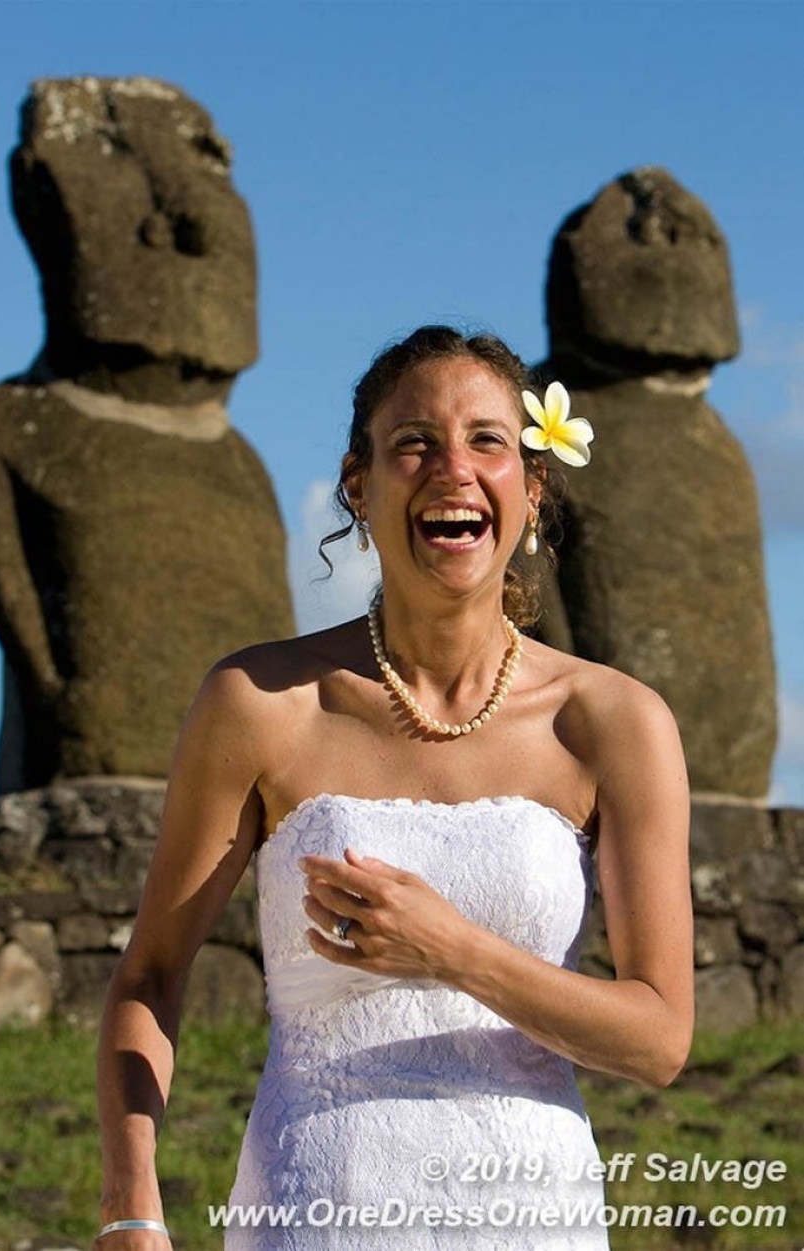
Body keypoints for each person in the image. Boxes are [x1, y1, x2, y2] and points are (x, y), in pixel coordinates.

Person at [95, 325, 694, 1249]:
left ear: (531, 487)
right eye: (414, 442)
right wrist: (130, 1205)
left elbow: (657, 1041)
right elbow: (151, 974)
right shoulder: (261, 702)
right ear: (358, 485)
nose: (453, 469)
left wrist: (453, 948)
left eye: (487, 440)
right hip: (314, 1207)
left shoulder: (614, 722)